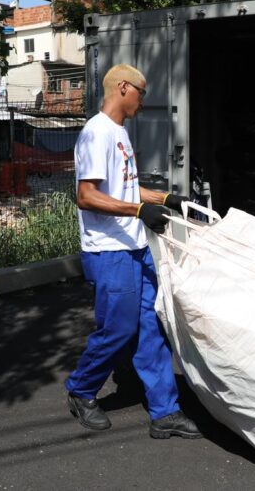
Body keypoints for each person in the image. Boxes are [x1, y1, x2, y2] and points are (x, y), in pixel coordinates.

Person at [65, 63, 201, 440]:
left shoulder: (120, 133)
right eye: (142, 92)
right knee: (119, 329)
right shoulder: (96, 133)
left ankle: (165, 412)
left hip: (135, 246)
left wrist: (167, 198)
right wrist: (140, 210)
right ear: (123, 87)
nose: (144, 100)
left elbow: (125, 190)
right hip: (109, 251)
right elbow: (86, 196)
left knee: (151, 328)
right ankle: (81, 388)